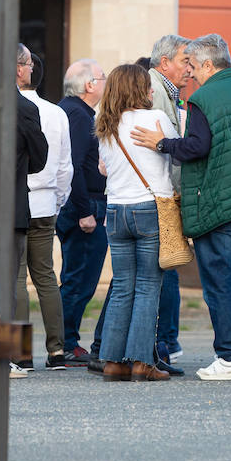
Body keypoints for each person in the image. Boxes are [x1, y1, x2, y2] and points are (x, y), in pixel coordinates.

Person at [130, 33, 231, 382]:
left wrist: (163, 143)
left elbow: (196, 147)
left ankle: (229, 356)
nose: (192, 73)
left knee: (219, 282)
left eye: (195, 66)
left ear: (209, 64)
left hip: (214, 201)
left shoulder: (203, 98)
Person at [92, 64, 176, 382]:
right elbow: (176, 153)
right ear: (139, 89)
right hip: (149, 208)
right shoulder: (156, 119)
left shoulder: (105, 123)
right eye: (147, 85)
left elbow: (103, 167)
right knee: (148, 287)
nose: (152, 90)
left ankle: (113, 361)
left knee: (122, 287)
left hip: (115, 210)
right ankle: (142, 361)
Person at [16, 45, 73, 371]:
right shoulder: (56, 112)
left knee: (16, 278)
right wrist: (58, 199)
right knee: (46, 277)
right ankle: (56, 350)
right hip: (46, 200)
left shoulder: (10, 107)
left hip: (19, 200)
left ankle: (21, 353)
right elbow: (66, 166)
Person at [57, 59, 107, 367]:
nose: (104, 83)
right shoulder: (77, 114)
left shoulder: (73, 111)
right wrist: (85, 211)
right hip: (83, 207)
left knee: (77, 278)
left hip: (81, 204)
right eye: (102, 78)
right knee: (79, 279)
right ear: (89, 85)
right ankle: (66, 342)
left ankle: (65, 340)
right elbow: (72, 165)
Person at [148, 35, 193, 371]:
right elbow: (163, 146)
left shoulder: (169, 91)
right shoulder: (155, 89)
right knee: (162, 272)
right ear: (165, 63)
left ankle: (162, 344)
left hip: (162, 194)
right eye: (184, 61)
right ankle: (161, 345)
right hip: (159, 196)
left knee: (162, 271)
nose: (189, 69)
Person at [12, 80, 49, 379]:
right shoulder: (24, 108)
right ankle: (15, 357)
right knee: (13, 283)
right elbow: (40, 158)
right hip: (10, 206)